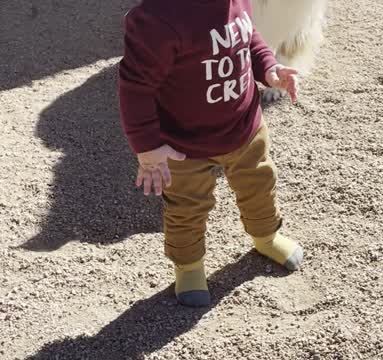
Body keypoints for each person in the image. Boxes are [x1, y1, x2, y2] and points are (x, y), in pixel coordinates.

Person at [118, 0, 304, 307]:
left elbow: (246, 36)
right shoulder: (156, 19)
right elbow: (135, 86)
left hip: (245, 128)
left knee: (259, 185)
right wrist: (147, 146)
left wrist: (269, 68)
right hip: (184, 146)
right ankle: (189, 265)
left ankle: (266, 236)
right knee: (186, 208)